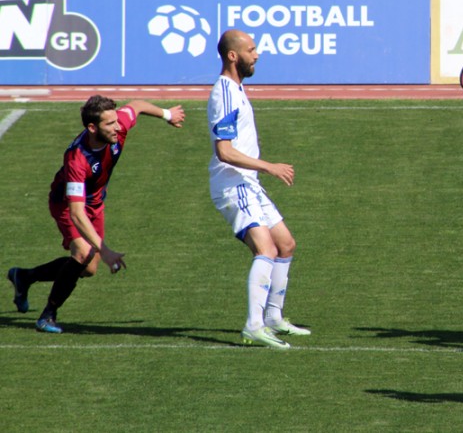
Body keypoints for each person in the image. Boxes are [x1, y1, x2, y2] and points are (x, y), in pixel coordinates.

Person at [6, 95, 185, 333]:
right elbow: (76, 213)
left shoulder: (117, 124)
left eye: (116, 120)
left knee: (88, 269)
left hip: (95, 203)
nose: (118, 126)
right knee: (83, 252)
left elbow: (138, 106)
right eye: (110, 124)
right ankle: (47, 315)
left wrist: (167, 115)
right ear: (92, 127)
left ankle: (24, 277)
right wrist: (106, 250)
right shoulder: (77, 159)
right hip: (66, 204)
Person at [208, 29, 310, 350]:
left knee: (286, 244)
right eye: (252, 50)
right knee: (265, 249)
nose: (258, 54)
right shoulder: (223, 92)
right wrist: (268, 166)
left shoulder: (237, 88)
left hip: (249, 183)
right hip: (233, 183)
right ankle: (253, 326)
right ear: (233, 56)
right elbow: (223, 150)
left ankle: (273, 318)